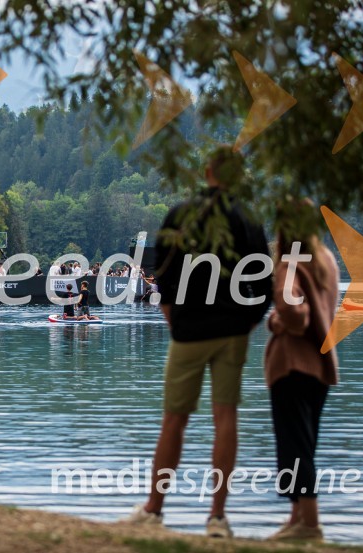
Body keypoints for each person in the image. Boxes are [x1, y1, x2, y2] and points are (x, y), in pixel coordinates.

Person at [126, 146, 272, 539]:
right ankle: (217, 517)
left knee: (173, 420)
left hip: (187, 331)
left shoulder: (182, 213)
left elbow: (163, 276)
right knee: (226, 419)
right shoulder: (250, 219)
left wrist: (174, 320)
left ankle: (154, 509)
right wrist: (247, 323)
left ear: (207, 171)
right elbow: (264, 284)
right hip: (231, 333)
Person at [265, 199, 339, 542]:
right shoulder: (326, 261)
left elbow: (296, 313)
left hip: (292, 364)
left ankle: (310, 523)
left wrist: (279, 320)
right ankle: (296, 519)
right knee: (305, 444)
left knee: (295, 446)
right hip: (320, 366)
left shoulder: (288, 263)